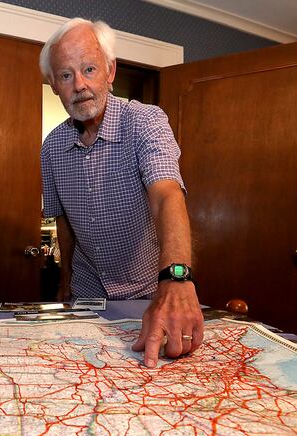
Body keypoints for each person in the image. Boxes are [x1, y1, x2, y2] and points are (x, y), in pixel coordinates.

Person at [39, 18, 203, 367]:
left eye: (89, 69)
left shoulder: (146, 121)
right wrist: (65, 282)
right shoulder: (50, 148)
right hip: (85, 295)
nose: (80, 85)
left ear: (110, 71)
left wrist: (176, 279)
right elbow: (62, 219)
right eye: (66, 75)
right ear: (54, 85)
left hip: (150, 293)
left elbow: (167, 194)